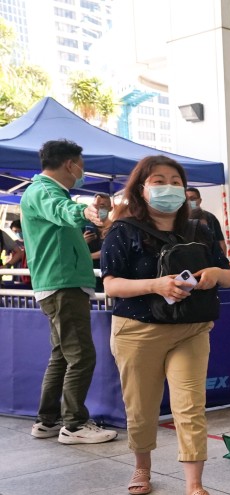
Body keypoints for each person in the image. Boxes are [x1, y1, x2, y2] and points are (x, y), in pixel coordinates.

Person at [100, 155, 230, 495]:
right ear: (141, 189)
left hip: (190, 328)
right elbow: (111, 284)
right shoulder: (122, 230)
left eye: (176, 181)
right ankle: (142, 467)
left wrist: (211, 275)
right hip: (137, 330)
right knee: (141, 406)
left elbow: (228, 274)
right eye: (159, 181)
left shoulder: (201, 227)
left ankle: (195, 489)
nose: (169, 188)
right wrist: (156, 285)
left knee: (191, 406)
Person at [19, 139, 117, 444]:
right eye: (81, 165)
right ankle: (74, 424)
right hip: (63, 285)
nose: (82, 171)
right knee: (81, 355)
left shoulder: (41, 191)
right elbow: (62, 209)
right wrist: (84, 211)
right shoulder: (46, 190)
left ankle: (46, 420)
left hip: (57, 283)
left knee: (62, 355)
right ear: (70, 164)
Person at [185, 186, 227, 255]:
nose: (189, 201)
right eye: (186, 199)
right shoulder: (180, 218)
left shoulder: (210, 218)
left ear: (200, 200)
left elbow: (221, 242)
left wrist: (223, 262)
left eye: (192, 199)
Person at [84, 194, 113, 262]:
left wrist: (88, 256)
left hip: (107, 269)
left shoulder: (116, 228)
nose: (98, 208)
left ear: (110, 208)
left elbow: (110, 249)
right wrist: (83, 242)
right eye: (95, 206)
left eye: (102, 205)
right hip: (89, 268)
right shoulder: (85, 227)